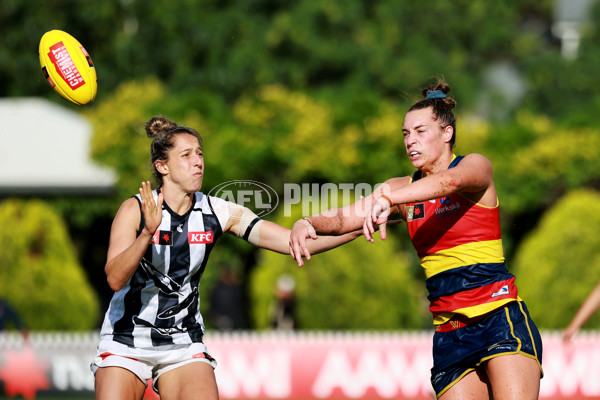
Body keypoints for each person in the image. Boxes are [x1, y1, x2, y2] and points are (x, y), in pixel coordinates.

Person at [289, 79, 543, 399]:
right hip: (450, 335)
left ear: (446, 133)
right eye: (406, 134)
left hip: (499, 319)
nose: (411, 141)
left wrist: (391, 199)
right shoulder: (400, 188)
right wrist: (305, 222)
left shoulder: (474, 166)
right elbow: (343, 219)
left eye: (421, 132)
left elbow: (449, 182)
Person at [90, 115, 361, 400]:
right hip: (125, 340)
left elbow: (290, 241)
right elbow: (115, 278)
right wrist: (147, 233)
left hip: (182, 344)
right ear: (163, 166)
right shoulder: (134, 209)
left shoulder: (218, 212)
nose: (198, 162)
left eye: (200, 154)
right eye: (186, 155)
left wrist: (362, 223)